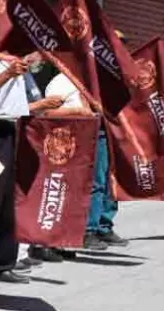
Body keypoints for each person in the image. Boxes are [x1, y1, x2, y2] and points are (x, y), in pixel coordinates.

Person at [0, 47, 64, 292]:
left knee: (7, 202)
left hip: (13, 129)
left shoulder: (17, 59)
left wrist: (40, 104)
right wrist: (7, 75)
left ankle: (0, 263)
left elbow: (24, 102)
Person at [42, 69, 126, 251]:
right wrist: (79, 111)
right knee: (91, 184)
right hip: (77, 138)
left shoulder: (100, 79)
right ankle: (88, 229)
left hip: (104, 133)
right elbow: (47, 113)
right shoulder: (61, 81)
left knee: (107, 182)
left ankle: (104, 225)